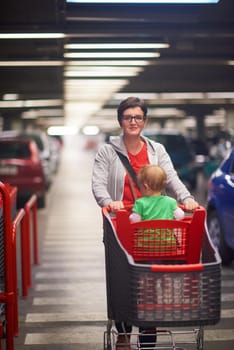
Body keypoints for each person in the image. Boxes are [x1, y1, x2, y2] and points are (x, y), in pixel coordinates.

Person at [92, 96, 199, 350]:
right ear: (120, 121)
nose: (133, 121)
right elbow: (97, 183)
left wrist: (188, 199)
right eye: (128, 117)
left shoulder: (156, 150)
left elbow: (172, 178)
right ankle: (124, 333)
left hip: (154, 230)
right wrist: (109, 201)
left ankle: (147, 338)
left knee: (150, 283)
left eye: (138, 117)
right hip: (122, 227)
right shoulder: (108, 151)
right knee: (123, 281)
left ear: (145, 120)